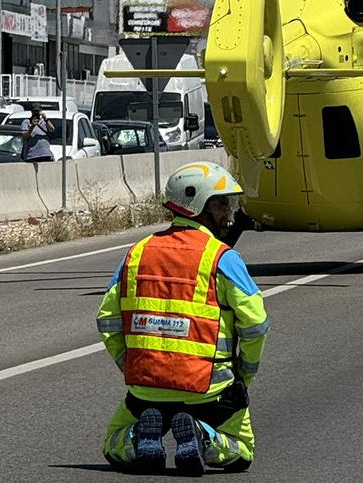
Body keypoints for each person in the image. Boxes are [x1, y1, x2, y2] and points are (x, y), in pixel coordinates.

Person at [96, 162, 268, 476]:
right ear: (199, 206)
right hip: (211, 391)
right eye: (221, 205)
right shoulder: (222, 257)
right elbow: (256, 324)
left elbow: (107, 318)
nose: (228, 214)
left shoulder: (137, 254)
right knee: (241, 452)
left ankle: (139, 438)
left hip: (146, 390)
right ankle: (204, 437)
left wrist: (131, 365)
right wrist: (243, 376)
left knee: (113, 446)